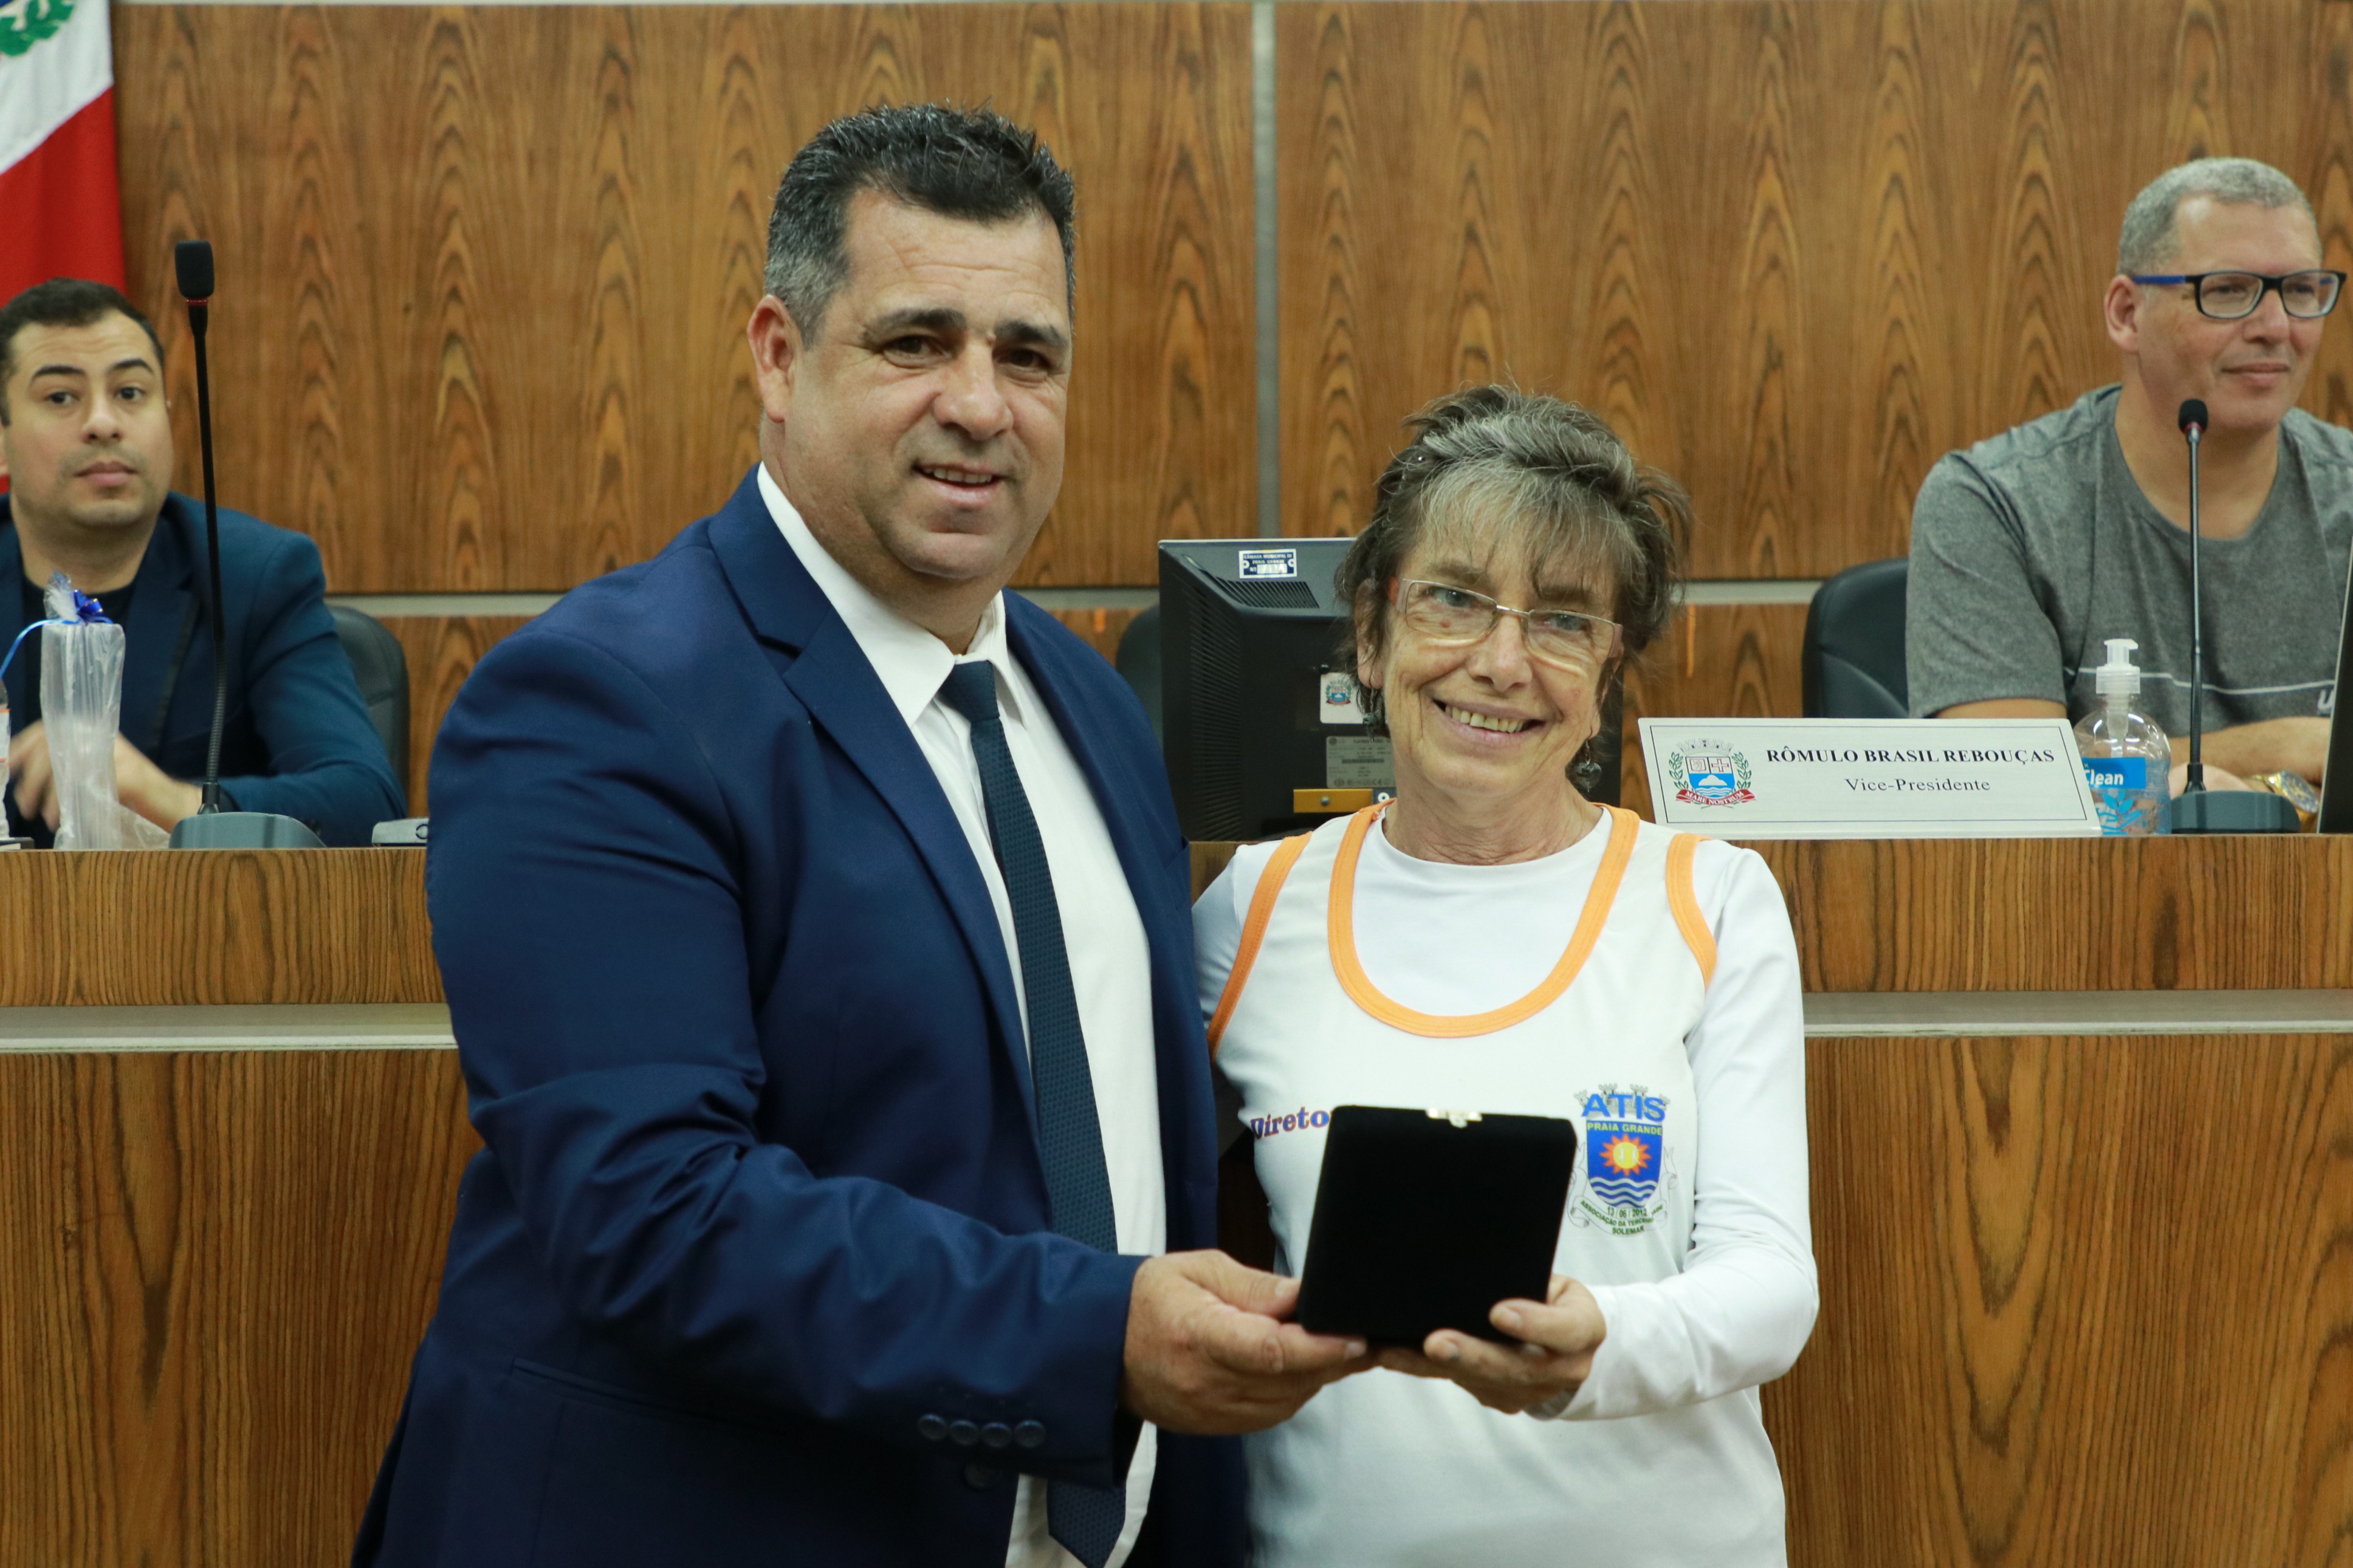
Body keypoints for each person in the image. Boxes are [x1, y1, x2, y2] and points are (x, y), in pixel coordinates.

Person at [355, 105, 1366, 1568]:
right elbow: (654, 1215)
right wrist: (1097, 1334)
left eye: (1028, 355)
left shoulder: (1092, 706)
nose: (981, 404)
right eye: (916, 342)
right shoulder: (595, 703)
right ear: (779, 355)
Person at [1197, 388, 1817, 1566]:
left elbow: (1770, 1283)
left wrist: (1598, 1342)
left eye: (1562, 620)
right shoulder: (1251, 908)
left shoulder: (1709, 900)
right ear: (1370, 634)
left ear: (1607, 668)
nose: (1499, 663)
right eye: (1453, 598)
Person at [1908, 157, 2350, 801]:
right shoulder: (1996, 504)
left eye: (2301, 291)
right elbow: (2007, 788)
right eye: (2228, 291)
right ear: (2126, 313)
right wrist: (2293, 747)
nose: (2276, 328)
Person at [0, 278, 404, 845]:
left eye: (131, 392)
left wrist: (162, 796)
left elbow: (365, 803)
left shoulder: (255, 578)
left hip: (192, 904)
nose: (104, 422)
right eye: (61, 398)